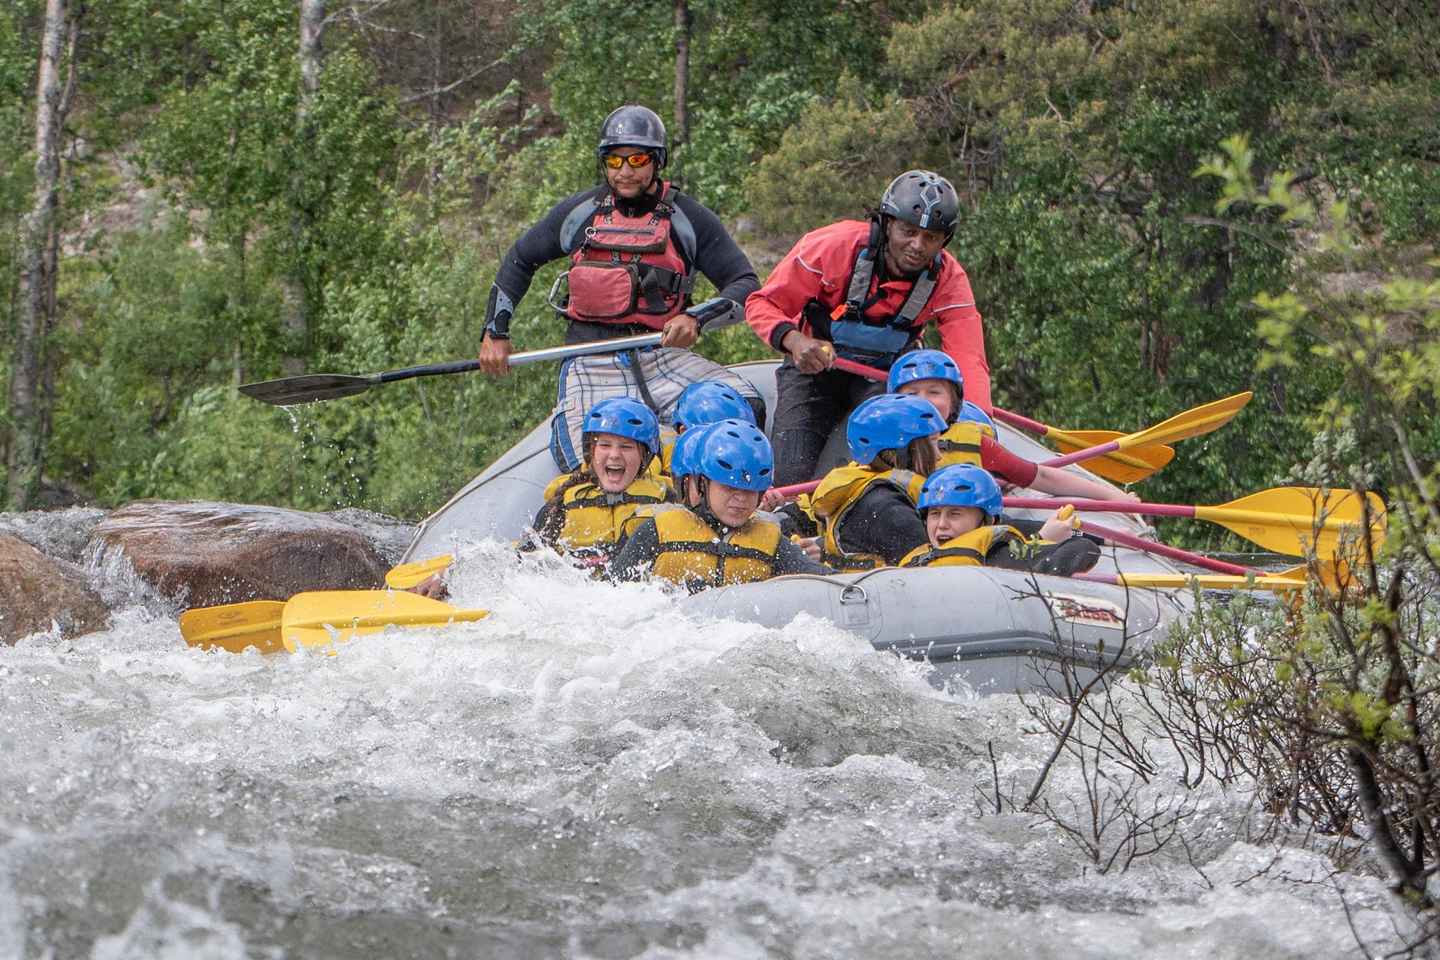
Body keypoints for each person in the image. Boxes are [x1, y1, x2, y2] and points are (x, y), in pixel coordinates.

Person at [475, 104, 764, 471]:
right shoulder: (580, 213)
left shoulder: (688, 219)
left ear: (656, 161)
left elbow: (745, 284)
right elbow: (520, 259)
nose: (625, 171)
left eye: (637, 159)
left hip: (662, 354)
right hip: (590, 358)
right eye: (615, 161)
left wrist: (696, 318)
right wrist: (495, 331)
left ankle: (696, 486)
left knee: (744, 405)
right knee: (583, 460)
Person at [745, 169, 990, 485]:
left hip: (885, 381)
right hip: (812, 370)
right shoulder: (832, 246)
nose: (917, 245)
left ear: (944, 240)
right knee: (793, 477)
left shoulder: (949, 279)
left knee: (871, 476)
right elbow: (762, 304)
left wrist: (977, 422)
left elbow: (969, 357)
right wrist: (793, 341)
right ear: (888, 223)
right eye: (908, 231)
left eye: (930, 238)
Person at [885, 349, 1140, 504]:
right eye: (912, 393)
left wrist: (1113, 497)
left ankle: (1104, 539)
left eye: (934, 392)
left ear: (953, 403)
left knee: (1075, 534)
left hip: (968, 531)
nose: (923, 402)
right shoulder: (879, 442)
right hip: (910, 528)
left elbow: (1041, 476)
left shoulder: (974, 443)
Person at [610, 420, 830, 591]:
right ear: (703, 484)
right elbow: (613, 596)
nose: (741, 499)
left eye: (750, 491)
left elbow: (825, 582)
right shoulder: (656, 532)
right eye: (728, 488)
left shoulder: (772, 543)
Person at [808, 393, 946, 571]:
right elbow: (930, 577)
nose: (939, 455)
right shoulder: (889, 510)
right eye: (932, 443)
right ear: (900, 451)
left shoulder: (869, 490)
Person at [526, 397, 671, 566]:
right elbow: (529, 559)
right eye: (605, 445)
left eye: (626, 446)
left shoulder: (664, 499)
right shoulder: (562, 504)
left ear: (644, 457)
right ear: (591, 452)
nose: (615, 455)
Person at [898, 464, 1100, 576]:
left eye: (955, 514)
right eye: (935, 513)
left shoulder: (996, 554)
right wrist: (1042, 539)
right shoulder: (919, 556)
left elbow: (1084, 548)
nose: (941, 524)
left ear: (986, 521)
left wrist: (1041, 542)